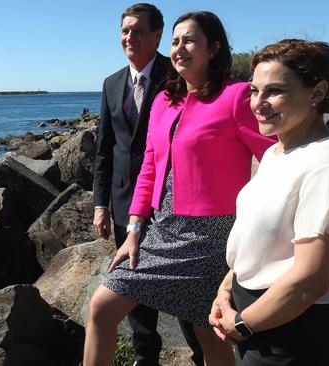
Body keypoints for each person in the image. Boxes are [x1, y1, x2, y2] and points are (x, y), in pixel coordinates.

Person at [85, 11, 275, 366]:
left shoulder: (236, 96)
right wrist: (134, 229)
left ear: (213, 48)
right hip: (163, 228)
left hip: (213, 234)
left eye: (189, 40)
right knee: (101, 307)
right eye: (175, 42)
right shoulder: (163, 101)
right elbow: (149, 169)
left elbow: (278, 159)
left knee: (209, 334)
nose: (180, 48)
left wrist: (263, 221)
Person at [209, 39, 329, 365]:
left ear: (317, 92)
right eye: (254, 90)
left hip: (293, 337)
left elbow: (309, 281)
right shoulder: (275, 152)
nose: (258, 103)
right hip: (258, 321)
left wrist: (243, 323)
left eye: (274, 91)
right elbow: (263, 242)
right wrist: (226, 290)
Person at [92, 4, 204, 365]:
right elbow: (103, 150)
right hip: (127, 201)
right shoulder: (111, 84)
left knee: (187, 289)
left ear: (157, 35)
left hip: (174, 201)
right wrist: (100, 204)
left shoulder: (181, 74)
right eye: (125, 31)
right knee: (135, 283)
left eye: (138, 31)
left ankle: (200, 351)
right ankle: (145, 356)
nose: (130, 38)